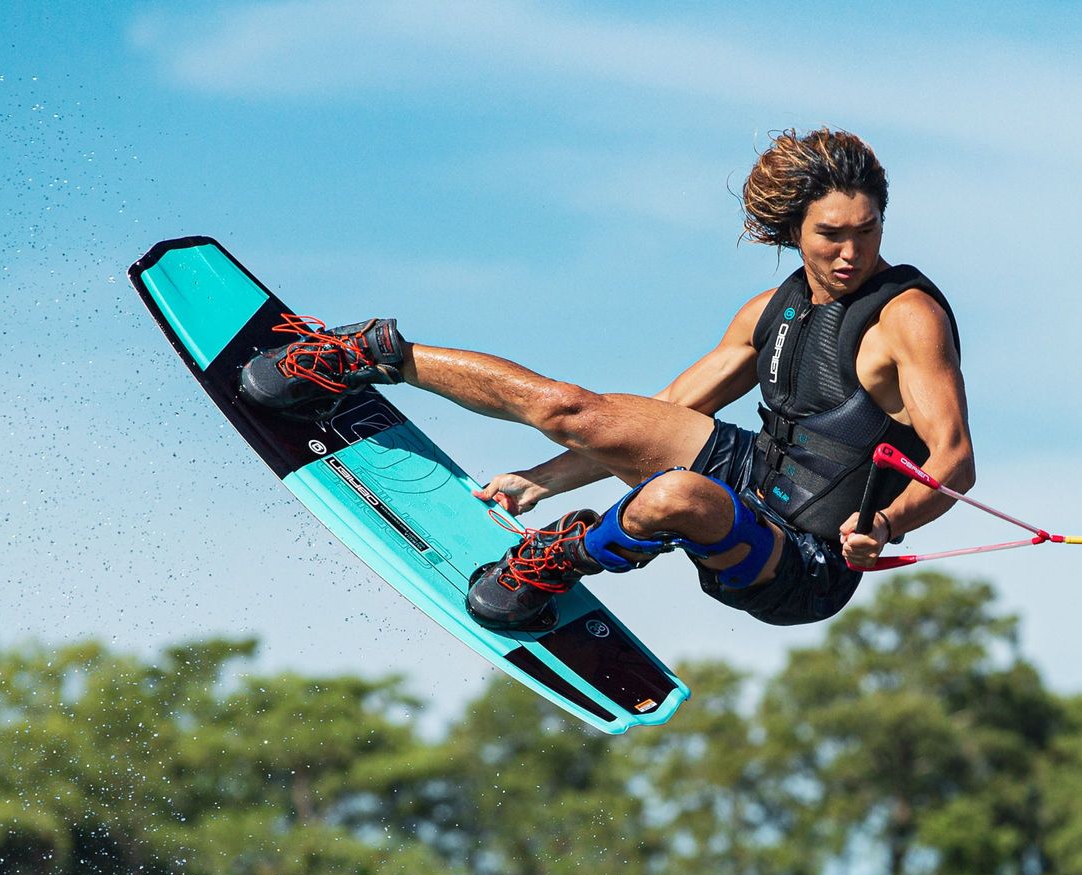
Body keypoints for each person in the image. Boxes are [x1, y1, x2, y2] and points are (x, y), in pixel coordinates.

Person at [239, 128, 975, 632]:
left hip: (806, 561)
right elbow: (664, 414)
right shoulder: (770, 312)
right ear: (791, 231)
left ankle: (562, 561)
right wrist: (545, 479)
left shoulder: (907, 316)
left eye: (868, 229)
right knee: (574, 408)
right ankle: (365, 358)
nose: (852, 252)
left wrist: (885, 524)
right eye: (831, 235)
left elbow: (954, 462)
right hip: (755, 472)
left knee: (680, 495)